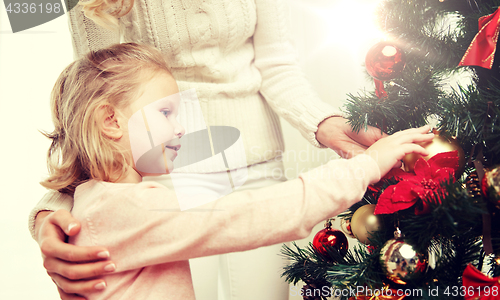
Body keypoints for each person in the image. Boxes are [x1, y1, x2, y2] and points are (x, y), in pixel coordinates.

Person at [31, 1, 392, 299]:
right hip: (164, 169)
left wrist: (322, 121)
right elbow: (93, 101)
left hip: (255, 159)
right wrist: (55, 214)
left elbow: (277, 65)